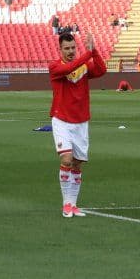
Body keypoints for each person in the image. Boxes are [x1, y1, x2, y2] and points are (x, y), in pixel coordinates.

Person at [49, 32, 107, 218]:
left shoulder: (83, 67)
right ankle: (66, 203)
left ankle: (73, 205)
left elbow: (101, 70)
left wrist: (94, 51)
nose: (71, 51)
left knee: (78, 163)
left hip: (81, 121)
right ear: (60, 49)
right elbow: (71, 67)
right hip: (62, 120)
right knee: (66, 159)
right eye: (67, 48)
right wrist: (87, 55)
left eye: (73, 47)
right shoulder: (55, 67)